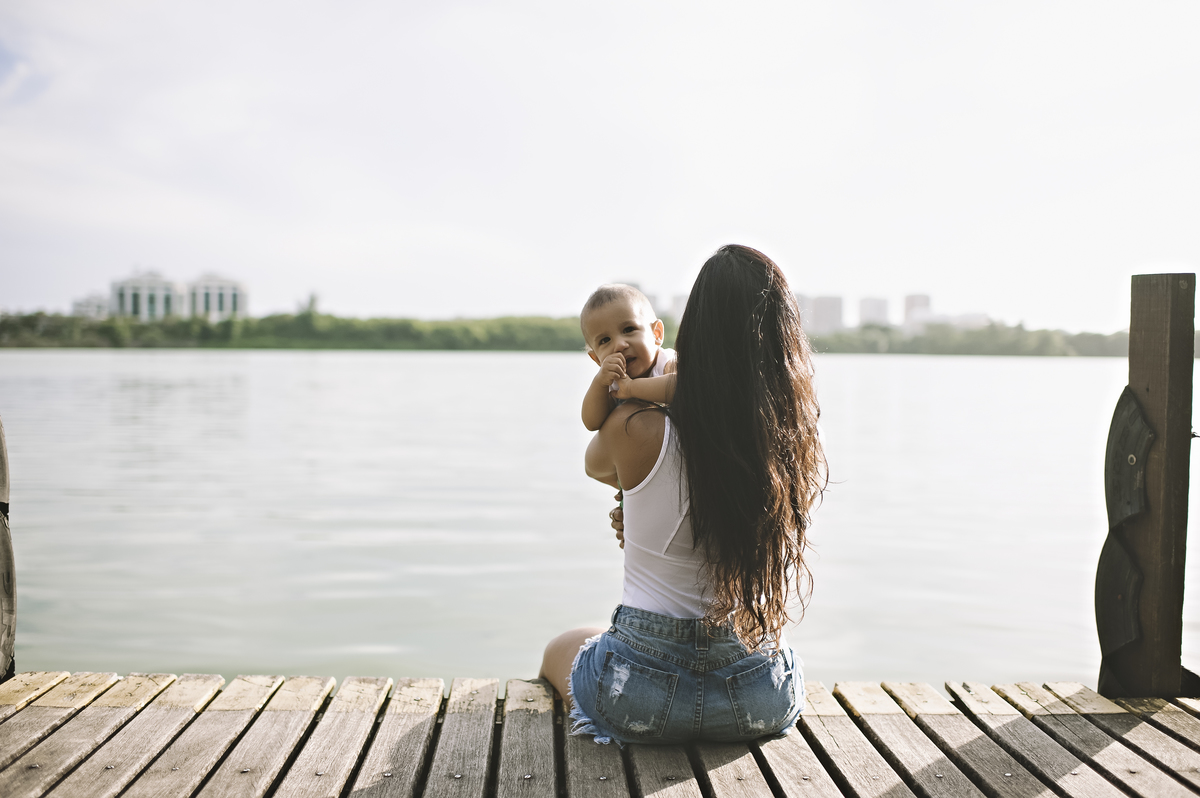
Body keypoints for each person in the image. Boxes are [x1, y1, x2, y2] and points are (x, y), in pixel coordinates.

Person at [540, 245, 826, 745]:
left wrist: (635, 498)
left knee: (563, 646)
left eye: (628, 331)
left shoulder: (632, 422)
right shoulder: (786, 437)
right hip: (757, 697)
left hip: (641, 697)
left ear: (681, 330)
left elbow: (594, 463)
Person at [580, 284, 677, 432]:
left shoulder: (666, 362)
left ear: (656, 334)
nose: (619, 345)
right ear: (597, 359)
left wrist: (632, 388)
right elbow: (591, 423)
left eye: (629, 329)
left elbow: (684, 387)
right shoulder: (612, 382)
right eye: (605, 340)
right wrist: (599, 382)